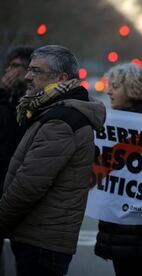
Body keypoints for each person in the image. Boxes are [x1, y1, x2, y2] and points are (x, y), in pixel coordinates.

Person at [0, 44, 106, 276]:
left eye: (36, 71)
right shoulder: (49, 110)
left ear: (62, 78)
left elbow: (28, 185)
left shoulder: (61, 120)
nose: (27, 76)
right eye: (29, 69)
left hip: (40, 241)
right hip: (40, 236)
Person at [94, 63, 142, 276]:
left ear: (132, 89)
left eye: (114, 86)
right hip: (118, 227)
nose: (108, 92)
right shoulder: (108, 125)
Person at [0, 46, 34, 267]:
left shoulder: (34, 101)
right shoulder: (6, 97)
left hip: (21, 185)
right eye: (8, 66)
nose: (9, 72)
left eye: (15, 66)